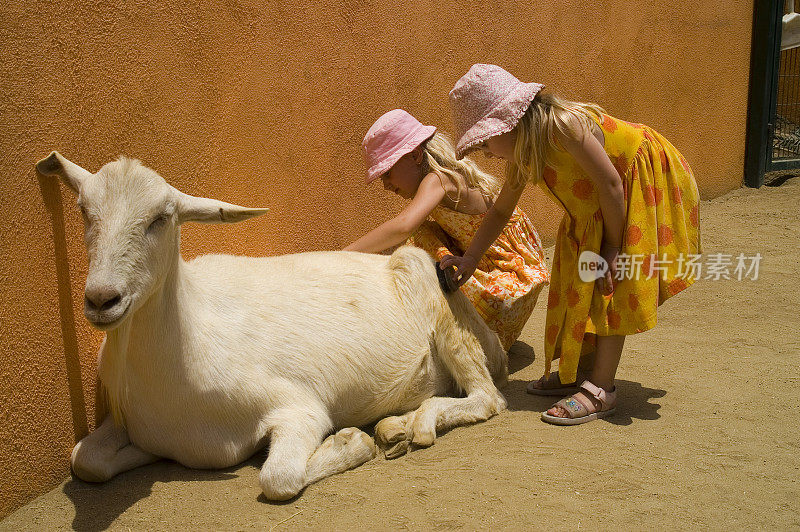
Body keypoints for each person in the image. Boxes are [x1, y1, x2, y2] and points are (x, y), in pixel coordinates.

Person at [441, 64, 701, 424]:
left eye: (485, 142)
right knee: (576, 279)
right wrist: (469, 258)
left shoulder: (565, 126)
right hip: (596, 206)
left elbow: (612, 185)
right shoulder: (524, 153)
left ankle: (602, 390)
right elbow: (501, 210)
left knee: (613, 283)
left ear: (510, 123)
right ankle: (578, 368)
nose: (486, 153)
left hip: (633, 188)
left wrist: (612, 247)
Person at [345, 108, 549, 351]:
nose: (386, 185)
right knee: (422, 236)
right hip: (487, 271)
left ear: (416, 155)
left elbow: (402, 226)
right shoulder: (437, 181)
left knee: (418, 237)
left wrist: (342, 256)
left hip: (508, 281)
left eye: (388, 173)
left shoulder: (438, 179)